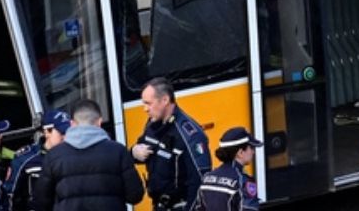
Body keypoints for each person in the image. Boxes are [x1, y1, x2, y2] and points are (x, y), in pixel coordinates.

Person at [33, 99, 144, 211]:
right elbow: (135, 195)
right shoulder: (118, 151)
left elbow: (41, 202)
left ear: (72, 124)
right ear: (99, 122)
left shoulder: (53, 156)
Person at [132, 77, 212, 211]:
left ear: (165, 100)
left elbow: (200, 181)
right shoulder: (152, 124)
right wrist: (134, 152)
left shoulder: (190, 134)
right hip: (159, 205)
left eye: (148, 103)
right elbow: (141, 152)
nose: (145, 109)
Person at [4, 109, 70, 211]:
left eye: (69, 132)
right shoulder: (26, 158)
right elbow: (10, 196)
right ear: (47, 132)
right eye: (62, 132)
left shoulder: (74, 155)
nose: (65, 137)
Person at [192, 127, 262, 211]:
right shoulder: (244, 181)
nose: (253, 152)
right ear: (240, 153)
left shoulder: (207, 178)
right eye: (251, 148)